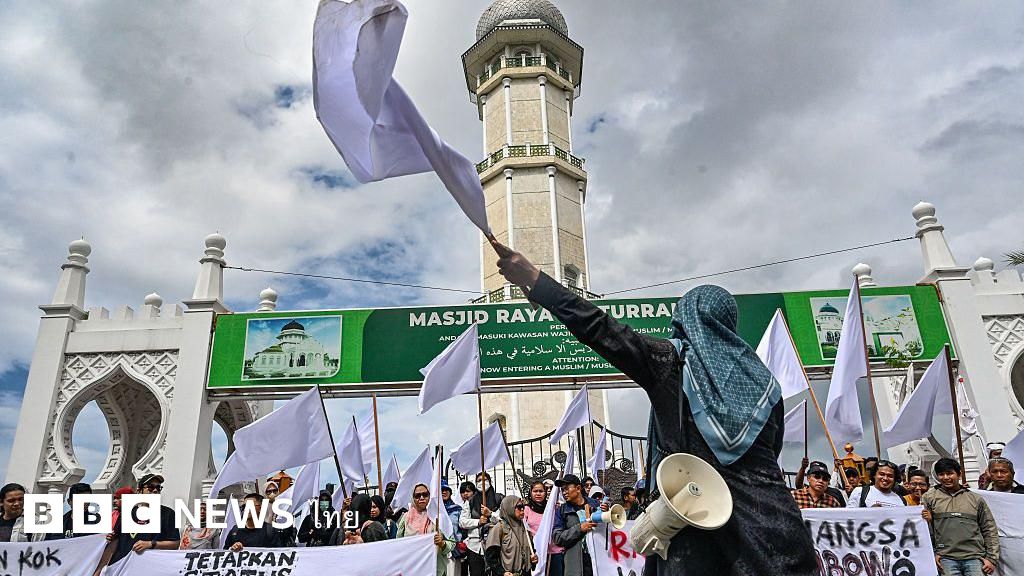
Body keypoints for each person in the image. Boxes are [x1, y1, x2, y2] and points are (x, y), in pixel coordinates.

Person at [495, 244, 818, 575]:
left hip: (697, 540)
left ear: (685, 321)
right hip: (778, 539)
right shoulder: (764, 382)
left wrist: (536, 280)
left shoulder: (671, 364)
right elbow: (772, 452)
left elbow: (600, 328)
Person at [923, 458, 1000, 575]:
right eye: (941, 474)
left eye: (949, 473)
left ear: (959, 474)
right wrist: (933, 553)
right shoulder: (929, 498)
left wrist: (991, 559)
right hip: (945, 559)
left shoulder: (976, 499)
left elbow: (989, 529)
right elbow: (925, 531)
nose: (945, 477)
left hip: (975, 558)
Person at [102, 474, 180, 565]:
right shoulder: (128, 512)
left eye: (158, 488)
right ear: (139, 490)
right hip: (122, 566)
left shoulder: (168, 513)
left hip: (149, 566)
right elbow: (114, 542)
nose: (155, 490)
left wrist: (151, 544)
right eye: (150, 487)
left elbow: (175, 544)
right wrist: (100, 569)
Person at [397, 484, 454, 576]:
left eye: (425, 494)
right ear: (413, 498)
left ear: (430, 496)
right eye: (417, 496)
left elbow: (452, 543)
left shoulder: (439, 516)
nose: (421, 498)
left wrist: (442, 543)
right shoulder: (406, 517)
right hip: (412, 569)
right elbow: (399, 543)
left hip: (435, 569)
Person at [552, 474, 599, 576]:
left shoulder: (595, 505)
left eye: (566, 489)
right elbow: (557, 538)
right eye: (562, 490)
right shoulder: (561, 511)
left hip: (598, 562)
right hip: (574, 565)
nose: (564, 492)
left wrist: (605, 513)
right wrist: (580, 528)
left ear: (578, 488)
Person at [459, 473, 501, 576]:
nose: (482, 483)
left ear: (490, 482)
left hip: (495, 544)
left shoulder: (499, 498)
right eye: (479, 481)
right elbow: (462, 521)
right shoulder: (470, 501)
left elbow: (503, 519)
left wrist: (490, 514)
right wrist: (477, 522)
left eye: (485, 480)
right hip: (475, 546)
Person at [485, 496, 538, 576]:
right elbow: (491, 557)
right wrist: (502, 572)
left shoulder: (525, 528)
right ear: (509, 508)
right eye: (519, 507)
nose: (522, 509)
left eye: (523, 506)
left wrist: (532, 560)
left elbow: (530, 552)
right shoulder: (500, 528)